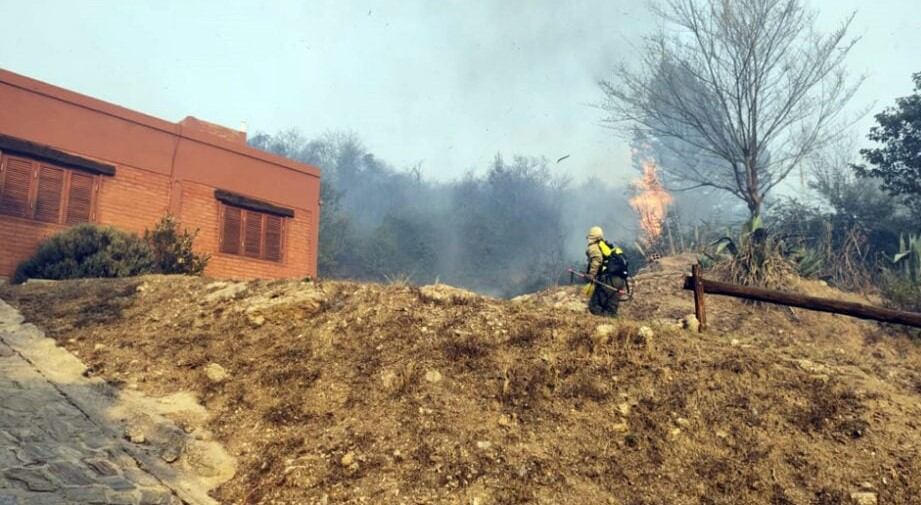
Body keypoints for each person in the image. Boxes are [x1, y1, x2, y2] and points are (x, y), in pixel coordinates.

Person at [585, 226, 628, 317]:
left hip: (609, 280)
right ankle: (613, 327)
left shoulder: (593, 247)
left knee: (594, 306)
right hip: (620, 280)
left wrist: (591, 275)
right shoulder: (605, 246)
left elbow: (597, 259)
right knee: (611, 310)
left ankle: (602, 328)